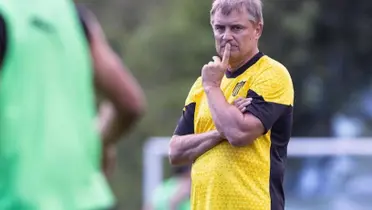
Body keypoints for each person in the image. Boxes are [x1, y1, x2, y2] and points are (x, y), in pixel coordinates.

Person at [0, 1, 145, 209]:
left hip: (16, 199)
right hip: (89, 199)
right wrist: (99, 142)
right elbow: (129, 102)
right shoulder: (73, 15)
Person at [168, 0, 294, 209]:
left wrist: (212, 88)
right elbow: (175, 152)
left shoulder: (271, 74)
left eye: (236, 27)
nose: (226, 36)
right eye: (220, 27)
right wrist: (218, 132)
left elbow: (238, 134)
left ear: (257, 29)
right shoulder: (201, 85)